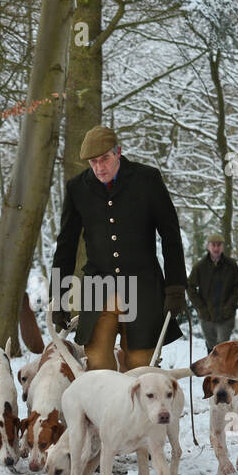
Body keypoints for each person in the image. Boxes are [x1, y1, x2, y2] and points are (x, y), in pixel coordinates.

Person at [51, 126, 187, 371]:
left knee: (140, 365)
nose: (100, 168)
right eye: (93, 162)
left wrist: (176, 286)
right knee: (97, 364)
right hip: (98, 283)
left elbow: (170, 235)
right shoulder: (77, 188)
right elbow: (66, 246)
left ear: (118, 153)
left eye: (105, 159)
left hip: (142, 284)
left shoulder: (147, 179)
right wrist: (59, 297)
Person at [187, 234, 238, 351]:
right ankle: (211, 369)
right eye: (213, 245)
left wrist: (230, 305)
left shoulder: (231, 265)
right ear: (208, 246)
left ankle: (223, 370)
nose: (216, 248)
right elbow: (190, 287)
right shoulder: (200, 266)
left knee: (223, 348)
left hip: (226, 315)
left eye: (219, 245)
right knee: (211, 348)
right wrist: (201, 308)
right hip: (207, 315)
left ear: (223, 247)